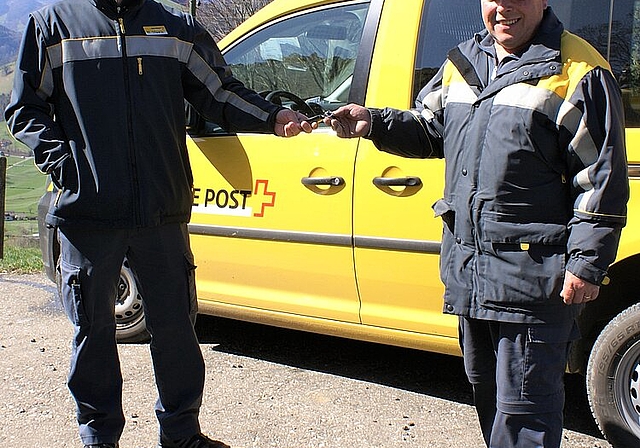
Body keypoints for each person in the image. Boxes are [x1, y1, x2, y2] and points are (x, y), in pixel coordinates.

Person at [4, 0, 314, 447]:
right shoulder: (53, 25)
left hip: (161, 210)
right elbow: (24, 110)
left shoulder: (175, 26)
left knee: (176, 331)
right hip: (88, 213)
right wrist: (65, 165)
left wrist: (272, 116)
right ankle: (98, 437)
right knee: (93, 332)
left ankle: (182, 434)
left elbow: (219, 92)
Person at [325, 0, 629, 447]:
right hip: (471, 274)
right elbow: (431, 126)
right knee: (489, 398)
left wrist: (585, 263)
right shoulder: (464, 60)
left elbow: (599, 179)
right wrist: (375, 123)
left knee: (525, 415)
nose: (502, 7)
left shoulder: (578, 70)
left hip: (533, 281)